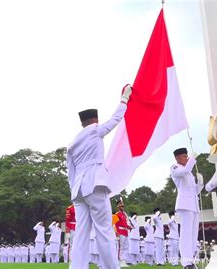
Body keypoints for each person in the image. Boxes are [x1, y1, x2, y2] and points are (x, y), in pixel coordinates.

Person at [66, 84, 132, 269]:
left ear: (82, 123)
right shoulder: (95, 130)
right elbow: (116, 118)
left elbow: (70, 172)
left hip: (78, 189)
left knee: (81, 232)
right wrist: (124, 99)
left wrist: (74, 190)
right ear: (95, 119)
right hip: (94, 184)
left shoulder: (72, 144)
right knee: (104, 231)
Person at [170, 148, 203, 269]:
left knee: (193, 235)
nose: (187, 158)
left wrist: (200, 183)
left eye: (187, 156)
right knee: (186, 233)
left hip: (194, 205)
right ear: (178, 158)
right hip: (185, 204)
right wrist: (193, 159)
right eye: (185, 156)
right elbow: (184, 171)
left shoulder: (189, 172)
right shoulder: (175, 168)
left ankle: (191, 261)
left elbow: (195, 191)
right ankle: (186, 262)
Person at [115, 199, 131, 265]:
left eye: (123, 206)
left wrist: (129, 227)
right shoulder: (117, 214)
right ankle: (120, 260)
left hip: (125, 231)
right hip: (120, 231)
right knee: (120, 247)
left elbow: (124, 223)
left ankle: (124, 259)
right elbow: (115, 224)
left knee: (126, 246)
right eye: (121, 206)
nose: (123, 207)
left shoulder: (124, 214)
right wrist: (117, 233)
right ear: (118, 207)